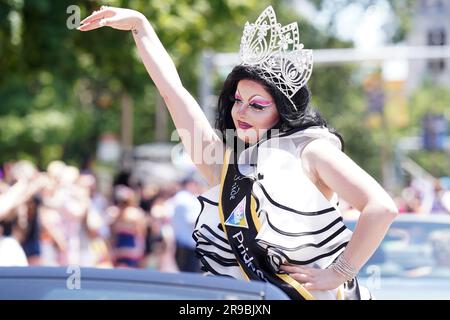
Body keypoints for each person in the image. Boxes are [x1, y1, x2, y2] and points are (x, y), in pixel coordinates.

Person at [78, 5, 398, 300]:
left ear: (283, 109)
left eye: (256, 105)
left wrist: (339, 272)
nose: (241, 112)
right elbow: (172, 91)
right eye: (237, 100)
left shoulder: (310, 150)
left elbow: (381, 207)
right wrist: (141, 26)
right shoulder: (230, 167)